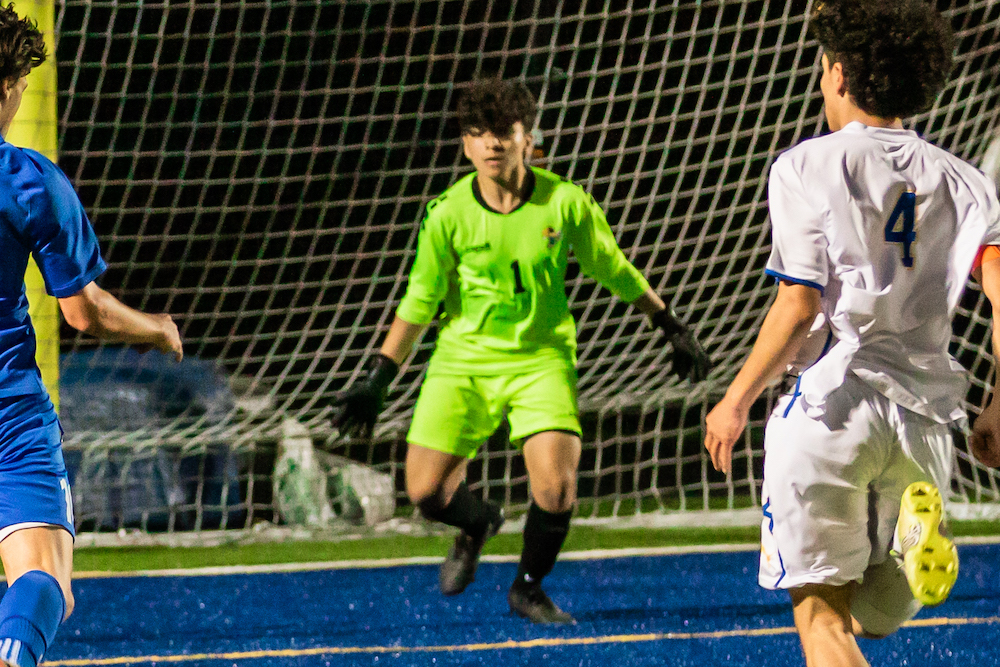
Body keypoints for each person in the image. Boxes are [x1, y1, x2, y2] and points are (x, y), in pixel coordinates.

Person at [333, 78, 711, 624]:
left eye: (503, 133)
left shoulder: (565, 202)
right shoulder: (447, 215)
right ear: (465, 146)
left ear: (528, 139)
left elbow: (613, 267)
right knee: (424, 493)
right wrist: (378, 378)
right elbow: (419, 301)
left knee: (556, 488)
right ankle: (477, 523)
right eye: (476, 134)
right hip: (462, 361)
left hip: (541, 359)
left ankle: (527, 588)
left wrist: (670, 325)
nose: (491, 144)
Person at [703, 0, 1000, 664]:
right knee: (874, 615)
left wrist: (736, 397)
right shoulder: (969, 184)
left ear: (837, 74)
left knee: (823, 621)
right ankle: (907, 547)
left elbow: (799, 304)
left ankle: (903, 551)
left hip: (830, 409)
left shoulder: (805, 165)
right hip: (924, 421)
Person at [0, 7, 183, 667]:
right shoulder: (31, 182)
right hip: (8, 411)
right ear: (14, 84)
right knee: (42, 578)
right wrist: (156, 328)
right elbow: (85, 312)